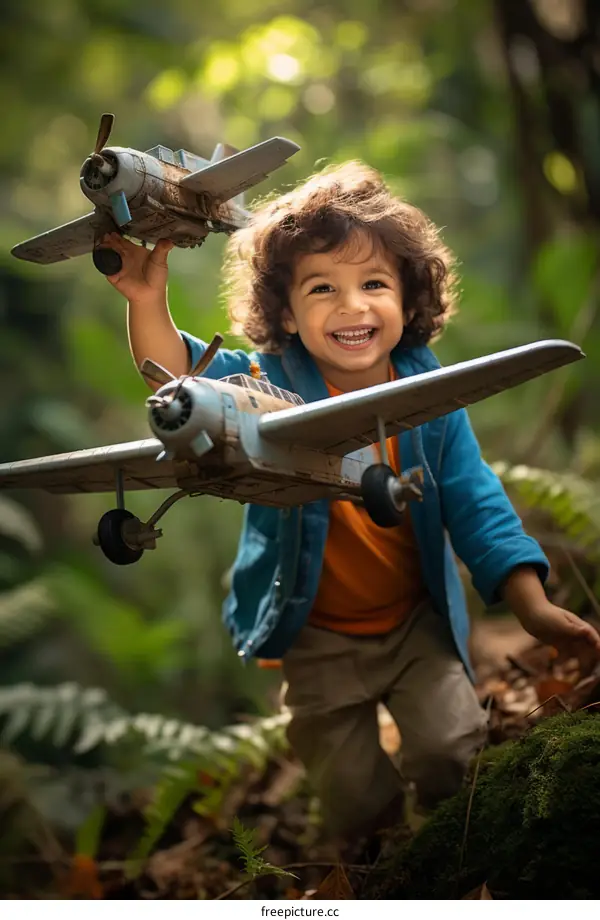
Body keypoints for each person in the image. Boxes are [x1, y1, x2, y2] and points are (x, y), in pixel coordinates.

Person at [103, 160, 600, 845]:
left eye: (374, 284)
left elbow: (477, 499)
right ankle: (376, 871)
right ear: (285, 312)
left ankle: (452, 858)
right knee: (352, 799)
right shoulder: (261, 380)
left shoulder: (432, 397)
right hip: (315, 633)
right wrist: (145, 302)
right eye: (322, 289)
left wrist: (531, 605)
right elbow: (178, 381)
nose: (352, 306)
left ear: (409, 297)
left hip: (414, 626)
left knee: (451, 750)